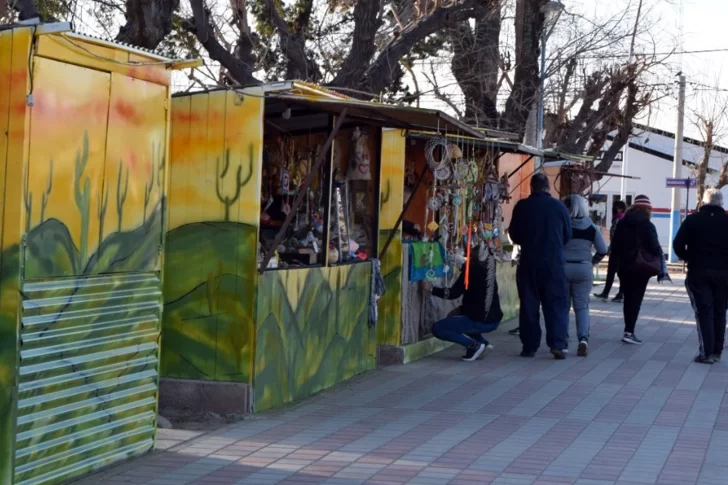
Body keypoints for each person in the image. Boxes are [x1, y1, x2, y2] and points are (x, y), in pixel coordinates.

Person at [509, 172, 571, 359]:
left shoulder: (522, 207)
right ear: (548, 187)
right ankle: (558, 344)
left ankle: (529, 346)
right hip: (554, 264)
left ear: (532, 187)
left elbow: (515, 235)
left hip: (529, 262)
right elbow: (567, 235)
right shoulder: (559, 207)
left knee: (529, 305)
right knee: (556, 305)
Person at [673, 188, 728, 364]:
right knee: (720, 311)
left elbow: (677, 245)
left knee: (704, 311)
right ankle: (717, 351)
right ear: (722, 203)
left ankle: (706, 352)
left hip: (698, 271)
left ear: (703, 202)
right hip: (724, 274)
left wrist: (689, 257)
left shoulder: (692, 220)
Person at [421, 246, 504, 361]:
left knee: (438, 328)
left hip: (480, 320)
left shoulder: (470, 271)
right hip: (493, 319)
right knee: (454, 318)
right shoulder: (489, 270)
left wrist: (431, 289)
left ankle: (474, 346)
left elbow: (453, 293)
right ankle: (483, 343)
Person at [610, 194, 670, 345]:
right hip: (641, 267)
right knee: (636, 299)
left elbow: (615, 246)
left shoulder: (622, 223)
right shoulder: (648, 225)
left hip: (624, 267)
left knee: (628, 298)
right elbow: (655, 247)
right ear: (647, 210)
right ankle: (629, 331)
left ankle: (627, 330)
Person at [563, 195, 608, 356]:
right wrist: (593, 262)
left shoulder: (564, 226)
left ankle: (563, 342)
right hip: (583, 268)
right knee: (581, 307)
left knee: (563, 307)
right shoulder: (592, 228)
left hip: (564, 268)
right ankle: (583, 339)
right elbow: (603, 249)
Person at [594, 200, 627, 302]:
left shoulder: (618, 220)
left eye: (619, 207)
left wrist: (611, 248)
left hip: (616, 250)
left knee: (612, 272)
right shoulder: (623, 219)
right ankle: (620, 293)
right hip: (622, 250)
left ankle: (606, 293)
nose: (617, 209)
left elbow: (615, 236)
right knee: (620, 273)